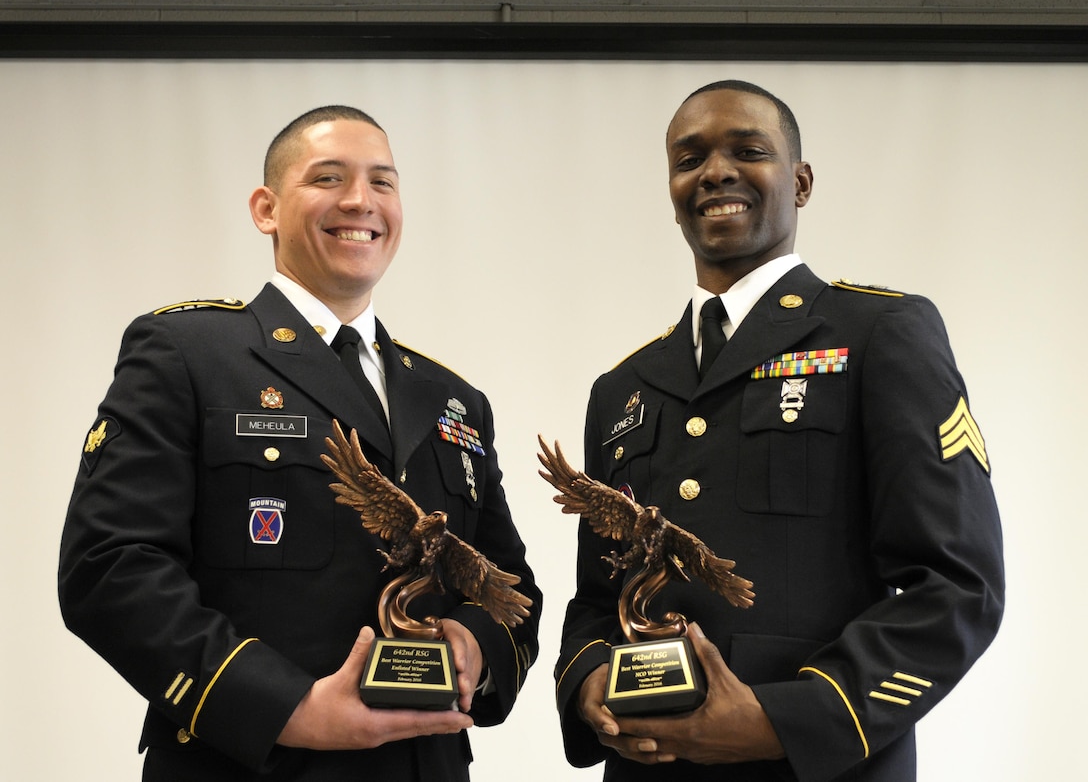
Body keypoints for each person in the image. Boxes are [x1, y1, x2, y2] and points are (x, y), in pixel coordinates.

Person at [59, 105, 541, 781]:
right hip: (251, 764)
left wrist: (474, 646)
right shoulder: (187, 353)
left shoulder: (452, 398)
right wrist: (284, 707)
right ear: (266, 208)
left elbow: (507, 584)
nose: (360, 201)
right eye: (328, 178)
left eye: (383, 182)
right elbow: (110, 568)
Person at [554, 80, 1004, 781]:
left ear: (800, 182)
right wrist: (586, 685)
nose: (715, 172)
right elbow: (597, 595)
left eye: (749, 150)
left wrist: (786, 720)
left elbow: (955, 583)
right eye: (689, 158)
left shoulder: (879, 333)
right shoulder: (622, 389)